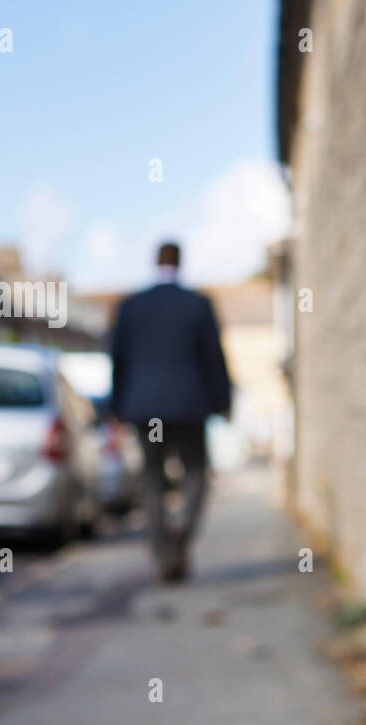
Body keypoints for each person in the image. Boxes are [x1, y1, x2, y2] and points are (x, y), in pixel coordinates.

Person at [109, 242, 232, 582]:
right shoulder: (197, 304)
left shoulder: (131, 307)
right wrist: (224, 402)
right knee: (196, 472)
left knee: (152, 479)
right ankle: (183, 531)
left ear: (155, 262)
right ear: (181, 261)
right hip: (188, 408)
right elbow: (214, 358)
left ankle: (163, 552)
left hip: (145, 410)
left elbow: (117, 359)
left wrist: (115, 407)